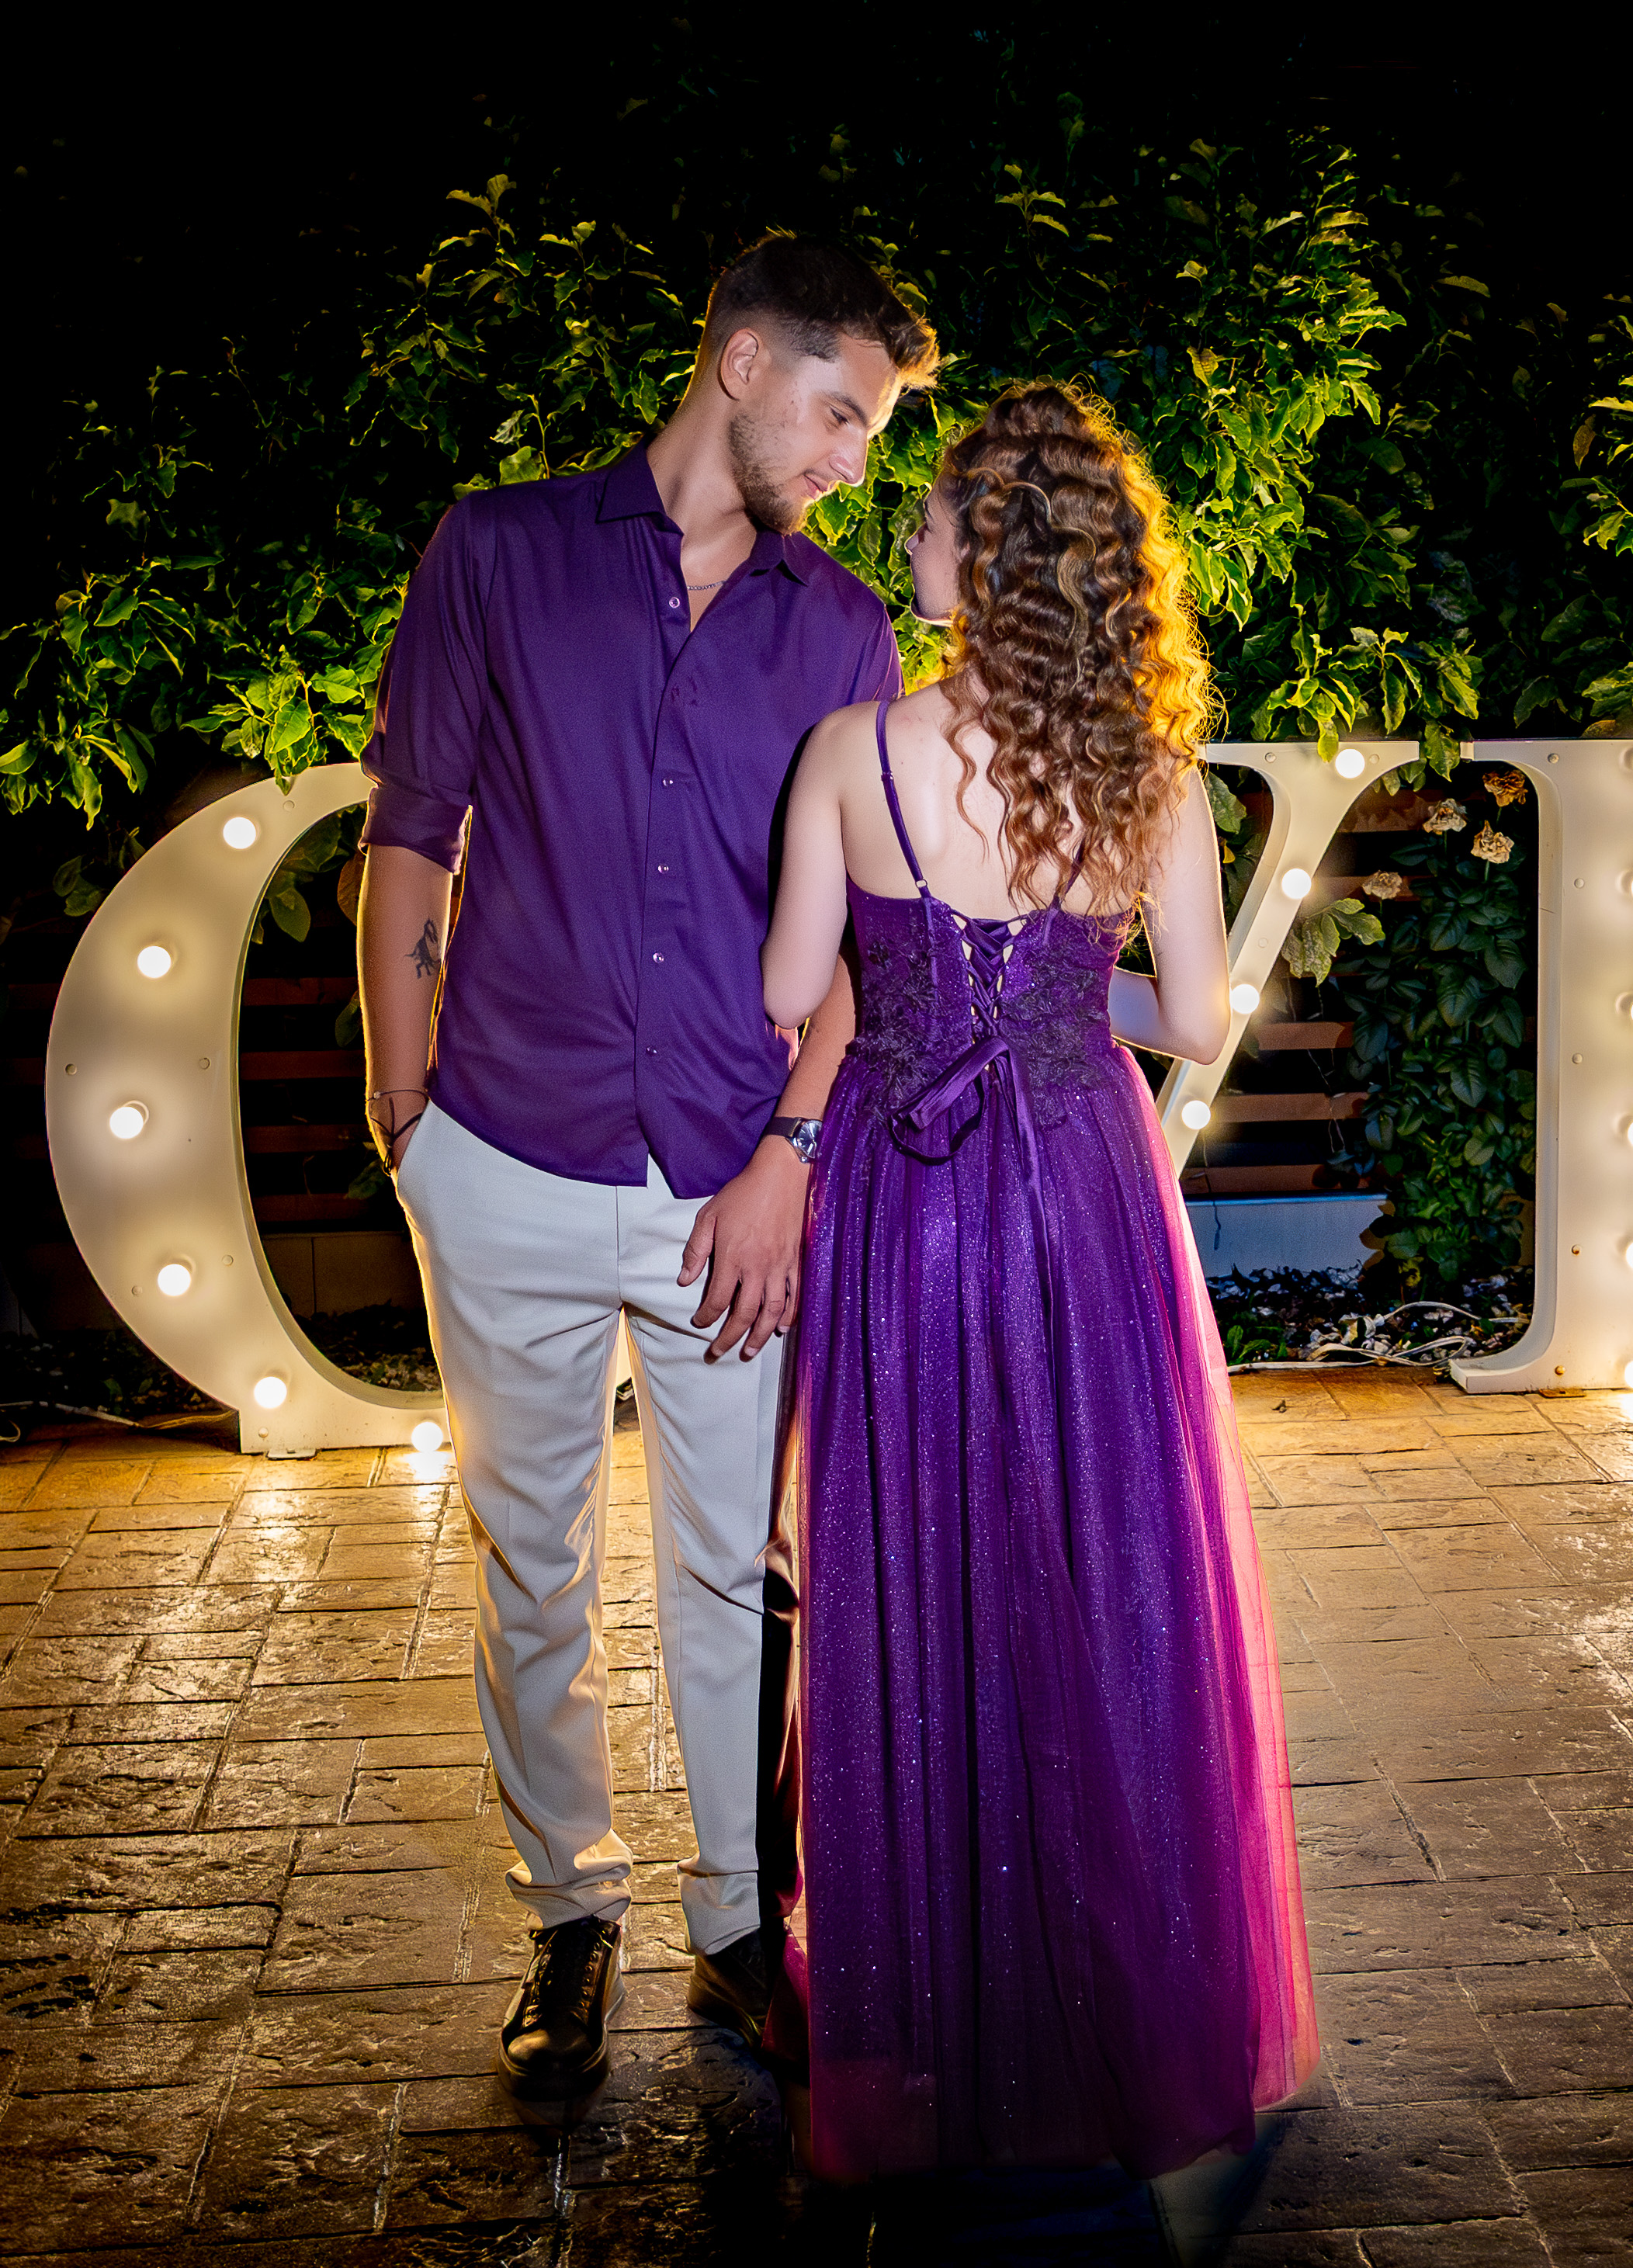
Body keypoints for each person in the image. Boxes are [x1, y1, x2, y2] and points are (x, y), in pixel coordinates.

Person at [354, 236, 938, 2117]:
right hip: (501, 1143)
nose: (850, 456)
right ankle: (568, 1914)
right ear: (743, 362)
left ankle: (738, 1922)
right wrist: (404, 1107)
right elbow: (412, 829)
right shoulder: (497, 551)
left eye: (872, 432)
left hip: (728, 1176)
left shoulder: (842, 627)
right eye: (838, 410)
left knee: (732, 1566)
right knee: (528, 1561)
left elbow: (864, 936)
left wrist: (788, 1154)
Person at [761, 385, 1319, 2180]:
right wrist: (1066, 999)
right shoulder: (1152, 777)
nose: (909, 536)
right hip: (1082, 1181)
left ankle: (935, 2020)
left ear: (984, 558)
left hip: (905, 1187)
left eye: (931, 517)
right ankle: (1124, 2011)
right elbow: (1198, 1019)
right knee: (1104, 1567)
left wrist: (916, 983)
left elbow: (789, 992)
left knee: (915, 1563)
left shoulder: (850, 753)